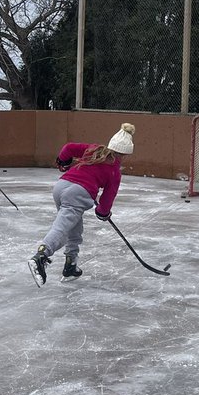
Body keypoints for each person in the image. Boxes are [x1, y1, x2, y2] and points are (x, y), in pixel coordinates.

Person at [29, 122, 135, 285]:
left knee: (73, 229)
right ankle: (41, 256)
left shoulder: (93, 149)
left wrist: (63, 161)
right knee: (62, 228)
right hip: (78, 194)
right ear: (125, 154)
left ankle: (70, 265)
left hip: (61, 186)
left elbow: (68, 148)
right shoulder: (114, 170)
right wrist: (103, 213)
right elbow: (107, 199)